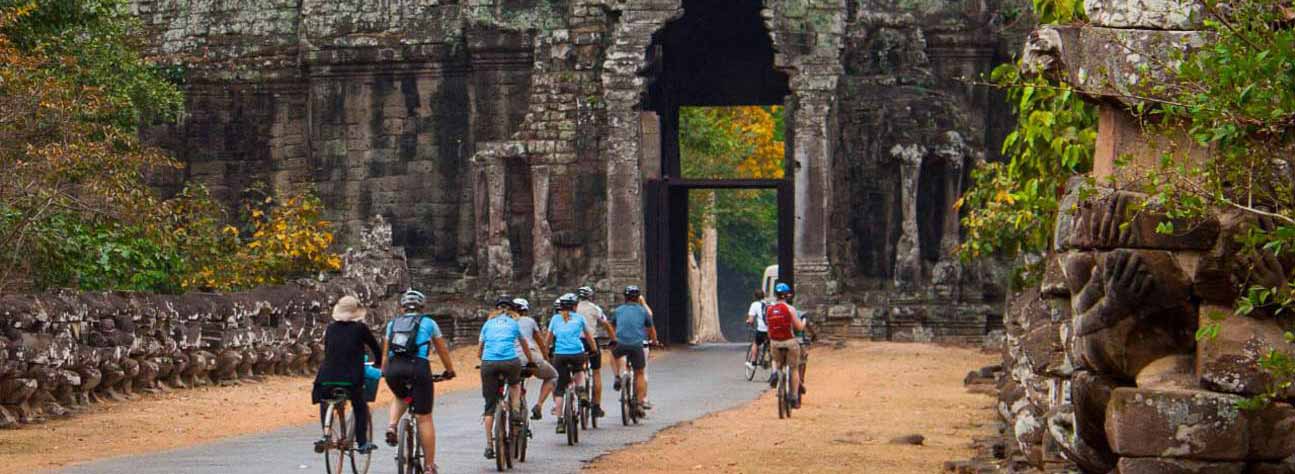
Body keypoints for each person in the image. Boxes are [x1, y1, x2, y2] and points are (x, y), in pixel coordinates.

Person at [382, 290, 457, 474]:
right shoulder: (429, 323)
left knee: (400, 395)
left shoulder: (392, 324)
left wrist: (386, 372)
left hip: (394, 368)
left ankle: (392, 425)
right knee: (424, 419)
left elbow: (385, 353)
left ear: (402, 307)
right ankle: (430, 466)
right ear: (423, 307)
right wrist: (449, 370)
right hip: (418, 368)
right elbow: (442, 350)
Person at [313, 295, 383, 453]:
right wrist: (378, 362)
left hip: (326, 377)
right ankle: (362, 442)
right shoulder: (360, 328)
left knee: (326, 400)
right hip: (351, 378)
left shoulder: (330, 328)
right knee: (360, 405)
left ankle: (326, 434)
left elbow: (330, 350)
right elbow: (376, 348)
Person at [478, 297, 535, 460]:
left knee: (489, 407)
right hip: (511, 362)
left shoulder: (487, 324)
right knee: (515, 385)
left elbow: (480, 349)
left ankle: (489, 445)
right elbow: (524, 345)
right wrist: (530, 361)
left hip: (488, 364)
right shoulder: (514, 324)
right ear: (512, 311)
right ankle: (516, 411)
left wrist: (483, 358)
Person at [545, 292, 597, 434]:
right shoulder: (579, 318)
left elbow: (548, 339)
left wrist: (546, 352)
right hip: (576, 353)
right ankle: (582, 391)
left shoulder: (555, 319)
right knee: (579, 371)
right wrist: (594, 350)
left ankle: (560, 421)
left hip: (559, 354)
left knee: (560, 389)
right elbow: (589, 337)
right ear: (575, 306)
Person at [608, 285, 657, 418]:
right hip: (637, 345)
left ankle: (617, 376)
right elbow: (651, 330)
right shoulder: (643, 311)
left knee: (612, 354)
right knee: (640, 372)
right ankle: (640, 403)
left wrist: (613, 338)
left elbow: (611, 326)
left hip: (620, 344)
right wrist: (655, 341)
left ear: (625, 297)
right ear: (638, 298)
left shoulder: (618, 310)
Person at [512, 298, 559, 421]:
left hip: (507, 357)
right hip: (529, 356)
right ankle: (539, 405)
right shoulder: (530, 321)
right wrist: (546, 359)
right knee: (552, 375)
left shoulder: (504, 322)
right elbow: (542, 344)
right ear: (525, 311)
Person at [574, 286, 614, 418]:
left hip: (576, 342)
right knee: (596, 372)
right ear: (591, 296)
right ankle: (596, 406)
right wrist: (613, 339)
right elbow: (606, 324)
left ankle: (579, 390)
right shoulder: (595, 308)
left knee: (577, 369)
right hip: (591, 341)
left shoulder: (573, 308)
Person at [765, 283, 806, 409]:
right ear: (787, 295)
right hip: (789, 342)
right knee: (794, 368)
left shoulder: (769, 309)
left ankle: (774, 373)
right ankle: (793, 397)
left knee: (776, 360)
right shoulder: (790, 309)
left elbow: (769, 330)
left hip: (775, 342)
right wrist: (804, 321)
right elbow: (799, 327)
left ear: (776, 295)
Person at [744, 289, 770, 371]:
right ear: (764, 296)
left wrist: (748, 321)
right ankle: (767, 358)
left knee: (755, 343)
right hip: (771, 329)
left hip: (762, 329)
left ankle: (753, 363)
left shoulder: (754, 304)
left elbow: (751, 320)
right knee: (770, 343)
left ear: (755, 297)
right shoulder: (768, 304)